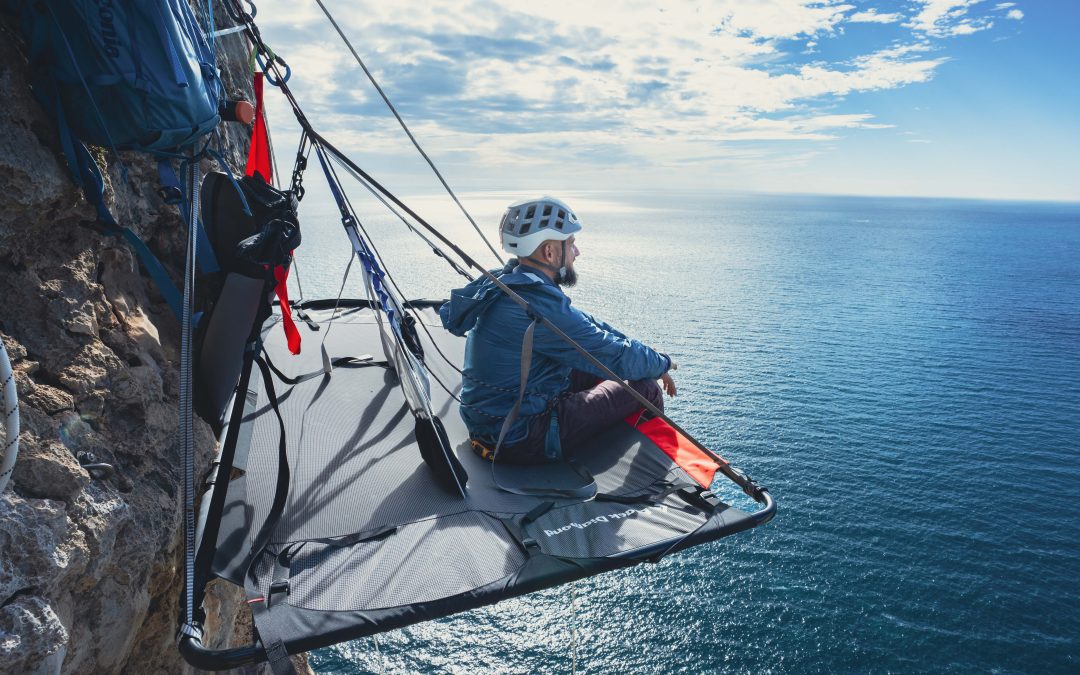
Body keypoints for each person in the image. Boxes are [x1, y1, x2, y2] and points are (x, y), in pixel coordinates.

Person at [439, 196, 677, 464]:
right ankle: (657, 479)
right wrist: (661, 364)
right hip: (521, 436)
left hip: (491, 422)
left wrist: (648, 356)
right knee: (644, 387)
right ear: (550, 252)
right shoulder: (537, 306)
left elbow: (591, 327)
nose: (577, 253)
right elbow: (613, 356)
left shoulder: (509, 282)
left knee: (610, 368)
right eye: (571, 244)